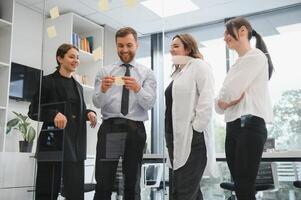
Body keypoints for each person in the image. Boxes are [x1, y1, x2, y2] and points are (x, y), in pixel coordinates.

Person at [92, 27, 157, 200]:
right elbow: (97, 102)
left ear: (137, 45)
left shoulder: (147, 73)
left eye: (129, 45)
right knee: (104, 180)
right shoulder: (105, 72)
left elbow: (150, 103)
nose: (124, 50)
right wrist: (104, 89)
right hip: (110, 128)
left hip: (135, 129)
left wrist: (138, 88)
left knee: (132, 181)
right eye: (120, 45)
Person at [28, 43, 97, 200]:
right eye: (71, 57)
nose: (76, 60)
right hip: (53, 144)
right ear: (59, 58)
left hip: (75, 146)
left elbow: (78, 111)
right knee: (47, 191)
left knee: (75, 193)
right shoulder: (46, 82)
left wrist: (89, 113)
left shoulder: (78, 86)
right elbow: (33, 111)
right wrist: (53, 114)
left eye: (77, 57)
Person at [215, 17, 274, 200]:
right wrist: (224, 101)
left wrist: (225, 100)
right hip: (233, 127)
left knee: (244, 187)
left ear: (242, 31)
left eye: (227, 32)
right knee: (241, 187)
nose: (224, 37)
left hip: (249, 125)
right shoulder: (237, 65)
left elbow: (229, 93)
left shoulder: (255, 56)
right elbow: (218, 104)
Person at [165, 33, 218, 200]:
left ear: (187, 49)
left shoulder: (199, 66)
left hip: (192, 139)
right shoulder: (178, 73)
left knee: (182, 193)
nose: (171, 49)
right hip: (175, 140)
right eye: (171, 46)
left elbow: (207, 99)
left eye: (176, 46)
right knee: (189, 192)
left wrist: (196, 128)